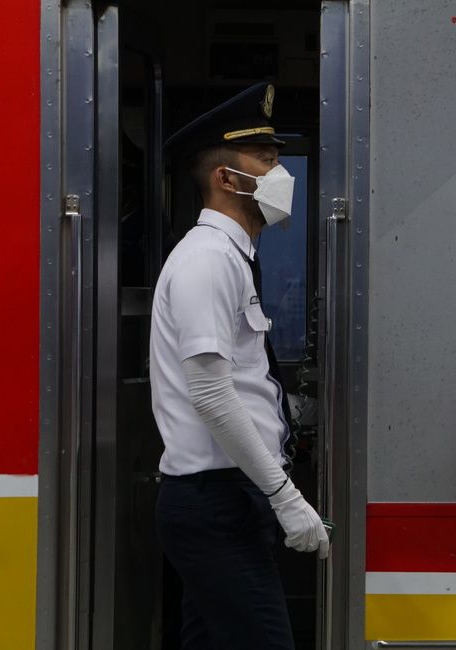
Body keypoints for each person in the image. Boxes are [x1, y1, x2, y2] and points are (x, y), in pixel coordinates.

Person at [150, 82, 329, 650]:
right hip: (215, 501)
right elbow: (210, 393)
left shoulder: (231, 256)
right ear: (227, 179)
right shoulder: (207, 260)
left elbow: (243, 380)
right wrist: (286, 496)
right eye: (268, 160)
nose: (282, 175)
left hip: (227, 496)